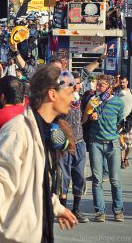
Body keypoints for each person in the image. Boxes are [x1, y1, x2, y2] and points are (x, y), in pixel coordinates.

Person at [0, 66, 78, 243]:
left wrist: (57, 207)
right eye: (69, 93)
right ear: (52, 94)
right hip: (17, 236)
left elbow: (36, 182)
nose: (73, 99)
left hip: (39, 234)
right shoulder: (17, 130)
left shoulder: (42, 130)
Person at [82, 74, 124, 222]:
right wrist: (89, 112)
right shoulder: (92, 100)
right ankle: (100, 211)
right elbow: (83, 120)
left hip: (113, 144)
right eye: (97, 84)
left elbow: (120, 122)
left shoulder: (118, 103)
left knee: (115, 180)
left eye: (100, 85)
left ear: (109, 87)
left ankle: (118, 210)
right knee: (97, 180)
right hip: (95, 143)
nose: (97, 87)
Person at [58, 72, 89, 223]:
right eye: (73, 83)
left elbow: (85, 116)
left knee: (79, 176)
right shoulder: (61, 98)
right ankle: (63, 211)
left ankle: (76, 210)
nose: (76, 86)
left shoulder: (84, 97)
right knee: (63, 178)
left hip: (80, 142)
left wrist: (91, 116)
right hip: (64, 144)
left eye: (78, 83)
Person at [114, 75, 132, 168]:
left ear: (127, 82)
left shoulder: (131, 92)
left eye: (123, 82)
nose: (122, 84)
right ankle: (121, 161)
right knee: (121, 142)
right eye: (120, 82)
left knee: (129, 143)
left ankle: (126, 158)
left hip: (130, 121)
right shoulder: (116, 93)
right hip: (119, 121)